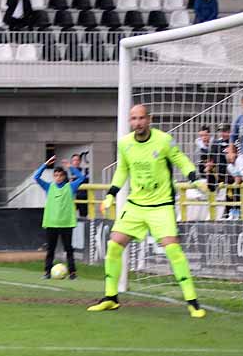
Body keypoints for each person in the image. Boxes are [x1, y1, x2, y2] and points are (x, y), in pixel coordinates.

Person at [88, 104, 205, 318]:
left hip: (161, 205)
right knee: (114, 244)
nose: (138, 122)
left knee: (172, 250)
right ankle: (110, 298)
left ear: (148, 119)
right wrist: (111, 194)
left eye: (141, 118)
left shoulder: (163, 140)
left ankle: (192, 301)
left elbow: (180, 159)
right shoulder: (125, 144)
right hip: (135, 205)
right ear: (130, 121)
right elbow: (122, 170)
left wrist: (194, 178)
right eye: (134, 118)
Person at [34, 155, 83, 280]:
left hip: (66, 223)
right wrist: (46, 164)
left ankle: (72, 273)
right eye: (55, 175)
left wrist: (71, 167)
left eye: (60, 175)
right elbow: (36, 177)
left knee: (69, 249)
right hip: (52, 223)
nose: (58, 178)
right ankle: (47, 272)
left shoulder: (70, 187)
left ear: (64, 176)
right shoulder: (49, 187)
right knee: (51, 249)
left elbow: (82, 177)